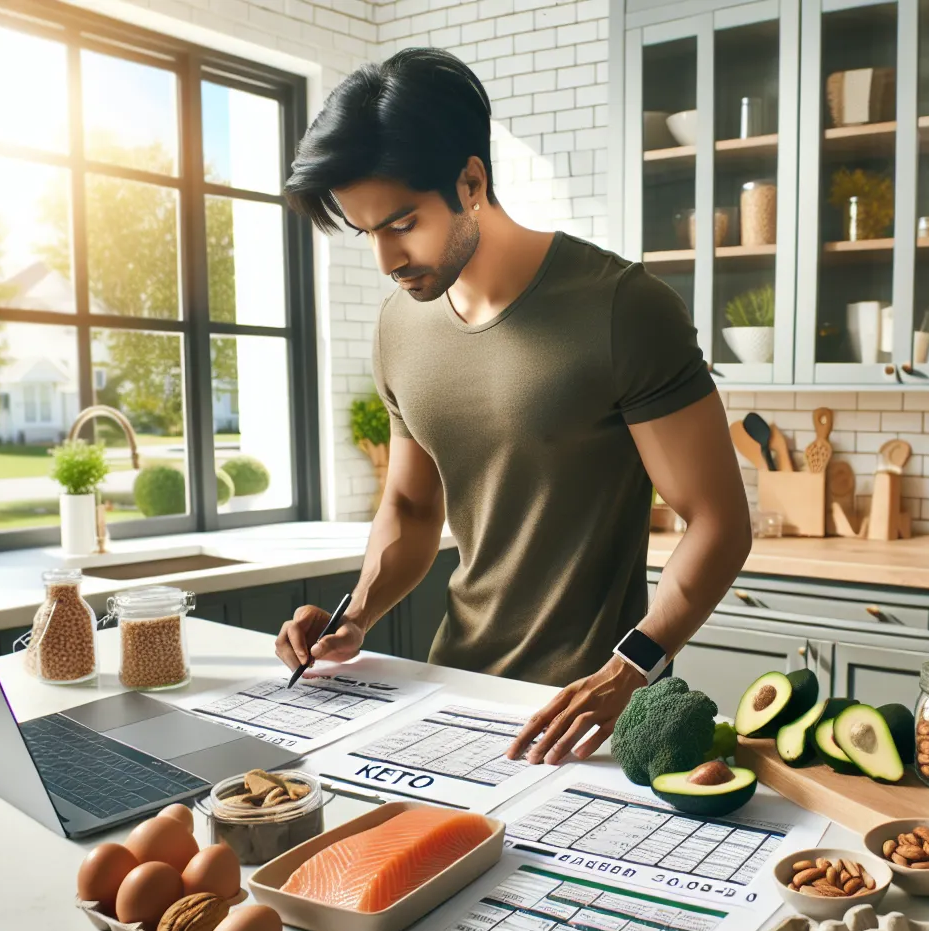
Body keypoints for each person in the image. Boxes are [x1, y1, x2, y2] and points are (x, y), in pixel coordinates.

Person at [273, 48, 753, 766]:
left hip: (592, 714)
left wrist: (631, 668)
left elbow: (719, 523)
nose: (386, 259)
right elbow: (408, 508)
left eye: (402, 222)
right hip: (454, 690)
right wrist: (356, 613)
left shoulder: (623, 308)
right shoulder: (399, 326)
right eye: (366, 231)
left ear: (471, 181)